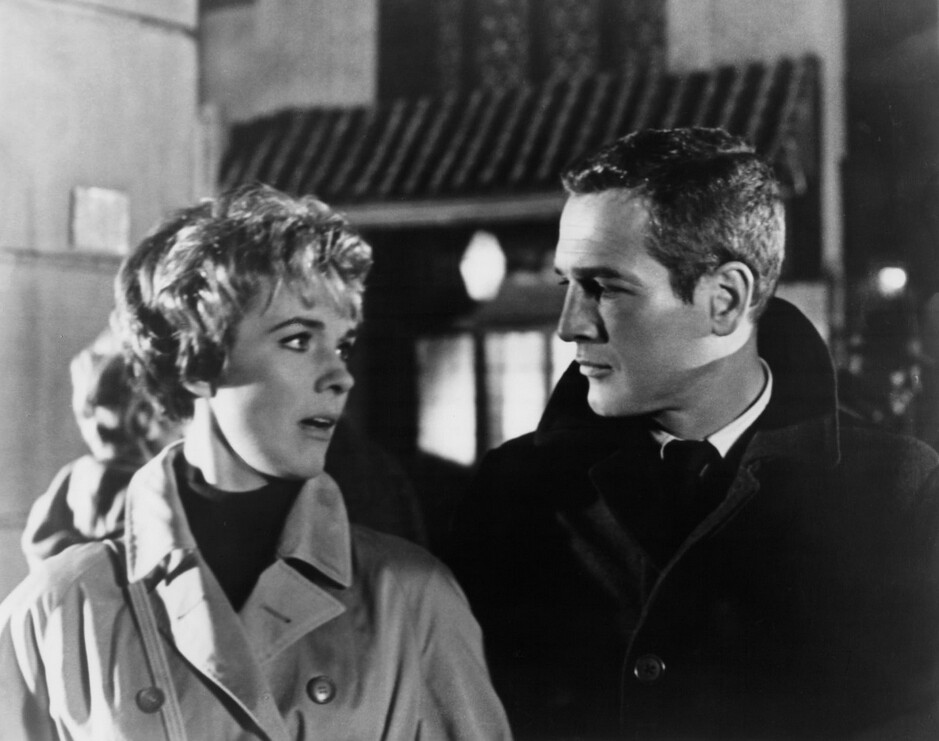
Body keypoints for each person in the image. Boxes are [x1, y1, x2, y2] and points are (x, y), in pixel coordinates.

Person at [449, 128, 939, 739]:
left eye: (605, 287)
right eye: (565, 285)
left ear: (725, 300)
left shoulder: (900, 495)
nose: (570, 325)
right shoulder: (511, 496)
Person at [0, 183, 509, 740]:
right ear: (197, 362)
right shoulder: (61, 607)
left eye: (342, 345)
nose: (340, 375)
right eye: (298, 340)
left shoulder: (411, 597)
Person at [20, 327, 184, 567]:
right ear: (146, 418)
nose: (183, 431)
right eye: (176, 415)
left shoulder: (73, 477)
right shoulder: (139, 487)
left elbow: (40, 544)